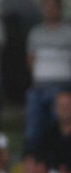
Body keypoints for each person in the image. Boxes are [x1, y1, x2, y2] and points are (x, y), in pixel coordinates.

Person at [26, 0, 71, 151]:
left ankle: (57, 155)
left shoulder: (68, 31)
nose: (50, 10)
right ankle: (34, 157)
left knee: (56, 125)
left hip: (62, 87)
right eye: (47, 7)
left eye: (53, 7)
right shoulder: (35, 32)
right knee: (34, 127)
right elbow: (31, 59)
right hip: (39, 87)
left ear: (60, 9)